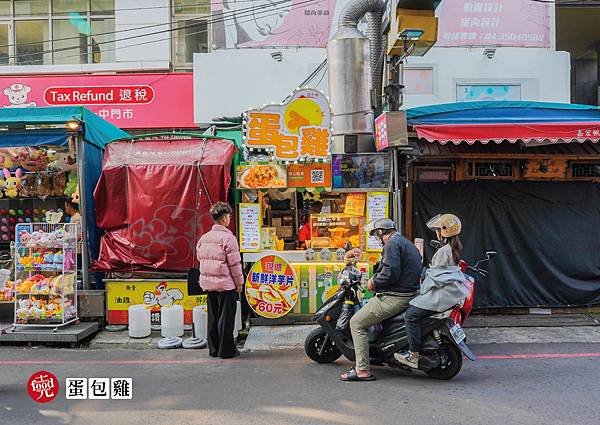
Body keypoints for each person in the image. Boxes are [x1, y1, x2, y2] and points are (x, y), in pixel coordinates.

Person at [340, 218, 422, 382]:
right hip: (409, 294)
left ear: (380, 232)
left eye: (375, 235)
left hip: (395, 297)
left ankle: (362, 369)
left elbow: (390, 272)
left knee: (356, 323)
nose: (376, 239)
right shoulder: (404, 242)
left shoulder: (392, 244)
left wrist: (373, 282)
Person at [394, 213, 469, 369]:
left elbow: (435, 277)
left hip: (440, 296)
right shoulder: (453, 248)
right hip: (448, 294)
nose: (436, 232)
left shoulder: (442, 252)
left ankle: (413, 355)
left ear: (443, 232)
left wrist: (421, 288)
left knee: (410, 316)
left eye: (438, 230)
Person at [196, 202, 244, 359]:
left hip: (209, 285)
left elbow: (200, 259)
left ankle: (214, 349)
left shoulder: (204, 238)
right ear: (224, 218)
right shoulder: (228, 239)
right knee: (226, 319)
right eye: (229, 216)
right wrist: (239, 284)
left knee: (213, 317)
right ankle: (226, 351)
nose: (229, 218)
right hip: (226, 285)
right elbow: (235, 265)